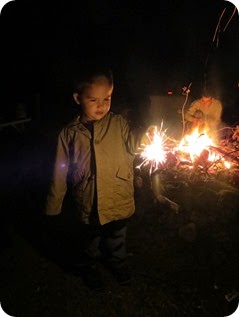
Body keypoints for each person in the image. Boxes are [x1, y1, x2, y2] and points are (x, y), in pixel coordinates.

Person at [43, 63, 145, 289]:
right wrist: (54, 203)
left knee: (117, 238)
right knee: (90, 241)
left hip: (117, 198)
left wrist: (147, 137)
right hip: (88, 202)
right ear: (78, 98)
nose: (102, 106)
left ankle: (118, 263)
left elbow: (133, 145)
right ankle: (89, 268)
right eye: (94, 100)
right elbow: (59, 171)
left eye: (107, 99)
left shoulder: (118, 124)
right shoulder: (69, 134)